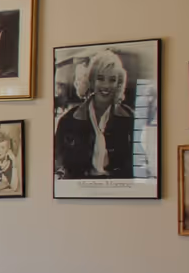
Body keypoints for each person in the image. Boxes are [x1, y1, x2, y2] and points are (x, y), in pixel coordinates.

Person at [53, 49, 136, 179]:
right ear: (91, 81)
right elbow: (58, 164)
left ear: (118, 84)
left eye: (112, 80)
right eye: (100, 78)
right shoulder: (68, 121)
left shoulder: (130, 119)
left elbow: (136, 165)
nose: (106, 86)